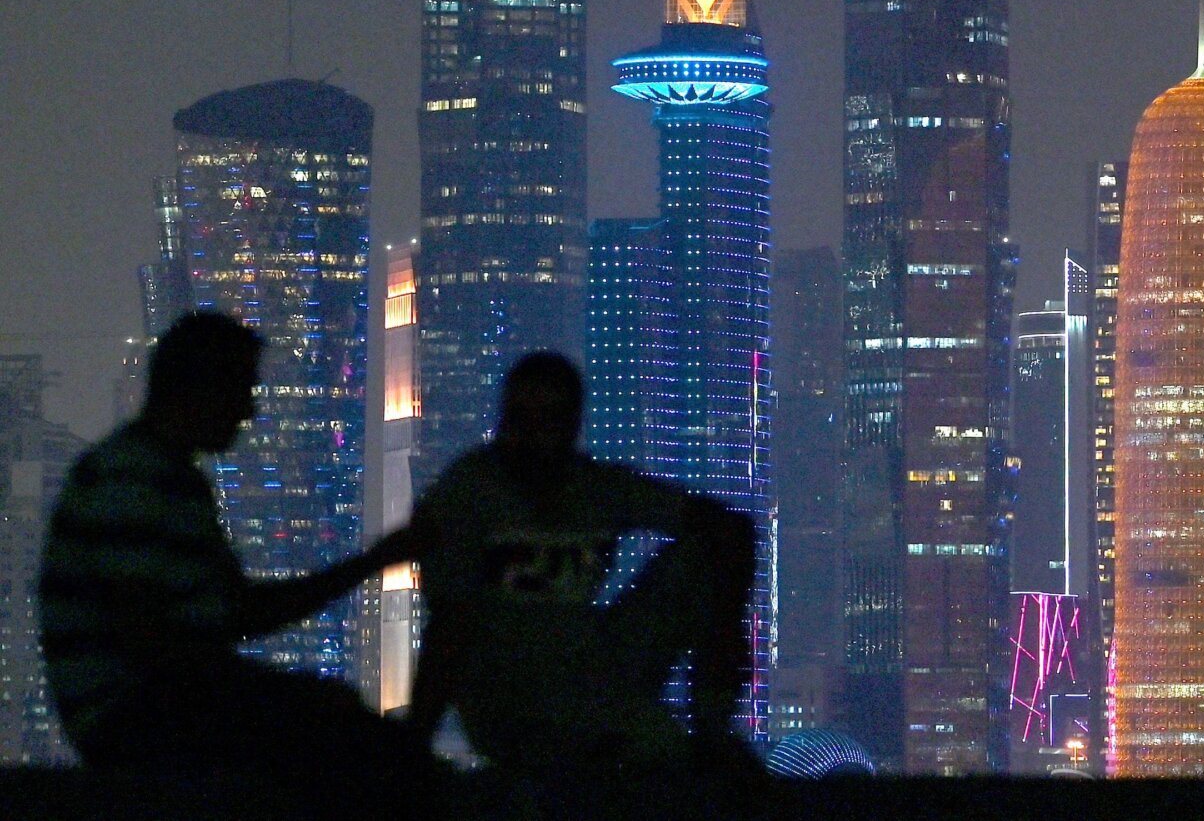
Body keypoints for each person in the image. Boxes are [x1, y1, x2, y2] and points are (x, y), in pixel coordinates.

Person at [38, 312, 435, 799]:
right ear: (199, 389)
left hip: (144, 713)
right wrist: (277, 693)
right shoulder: (133, 480)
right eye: (242, 389)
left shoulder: (161, 478)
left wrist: (372, 563)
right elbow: (150, 641)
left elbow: (233, 612)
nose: (249, 410)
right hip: (133, 720)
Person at [407, 351, 758, 776]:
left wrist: (723, 635)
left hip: (587, 677)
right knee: (660, 754)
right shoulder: (472, 490)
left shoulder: (595, 489)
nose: (533, 434)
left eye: (547, 419)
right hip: (506, 697)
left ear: (571, 423)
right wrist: (414, 745)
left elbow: (728, 529)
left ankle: (710, 731)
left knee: (705, 555)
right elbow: (449, 624)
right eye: (522, 418)